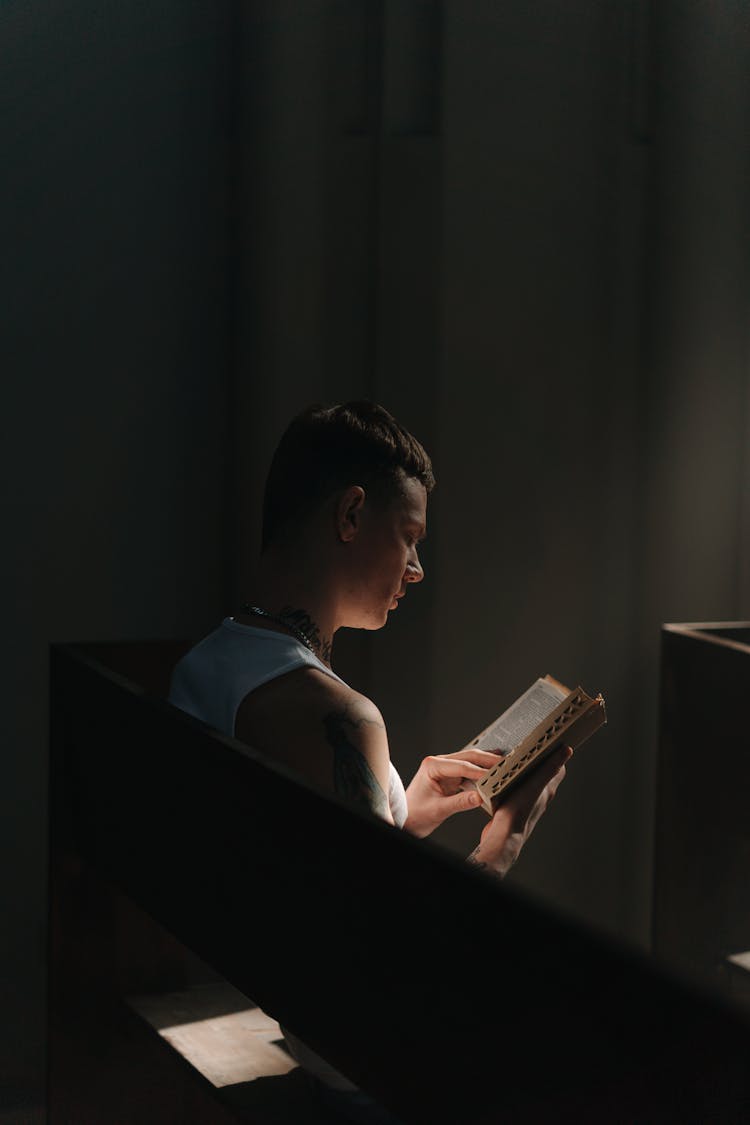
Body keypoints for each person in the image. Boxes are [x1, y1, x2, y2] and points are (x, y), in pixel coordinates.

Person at [168, 400, 571, 1124]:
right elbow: (387, 977)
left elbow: (299, 867)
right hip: (363, 1072)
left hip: (285, 1001)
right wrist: (500, 845)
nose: (417, 569)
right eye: (409, 538)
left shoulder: (208, 662)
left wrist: (400, 809)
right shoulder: (342, 717)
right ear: (351, 516)